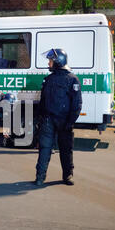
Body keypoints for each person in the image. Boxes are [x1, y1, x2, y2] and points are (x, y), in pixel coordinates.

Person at [34, 48, 82, 186]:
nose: (48, 64)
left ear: (58, 61)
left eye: (50, 61)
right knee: (45, 149)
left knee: (64, 150)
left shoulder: (72, 79)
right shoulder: (49, 79)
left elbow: (76, 104)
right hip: (50, 120)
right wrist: (40, 118)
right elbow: (43, 101)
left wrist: (70, 122)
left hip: (62, 121)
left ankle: (61, 176)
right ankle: (41, 177)